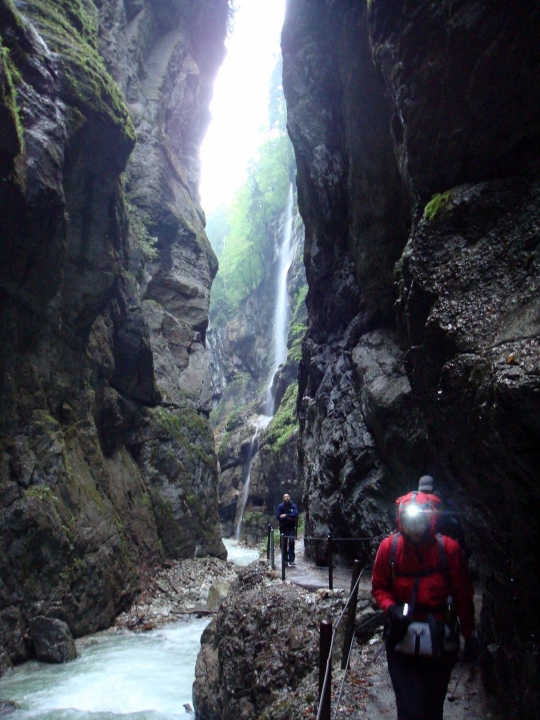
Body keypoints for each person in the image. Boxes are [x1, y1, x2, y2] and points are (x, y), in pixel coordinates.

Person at [372, 490, 479, 720]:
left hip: (439, 640)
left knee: (432, 707)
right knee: (409, 708)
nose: (414, 528)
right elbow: (379, 586)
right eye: (409, 522)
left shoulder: (448, 550)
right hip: (401, 637)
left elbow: (463, 595)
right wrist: (392, 608)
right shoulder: (389, 548)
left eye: (419, 521)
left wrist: (469, 635)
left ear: (430, 519)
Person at [275, 493, 298, 565]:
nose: (287, 498)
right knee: (283, 544)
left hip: (291, 527)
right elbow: (278, 516)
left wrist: (285, 515)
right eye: (285, 497)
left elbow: (295, 514)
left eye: (288, 496)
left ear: (290, 497)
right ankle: (284, 560)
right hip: (283, 527)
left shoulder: (293, 505)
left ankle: (291, 560)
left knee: (291, 542)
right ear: (283, 498)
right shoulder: (280, 506)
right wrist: (289, 517)